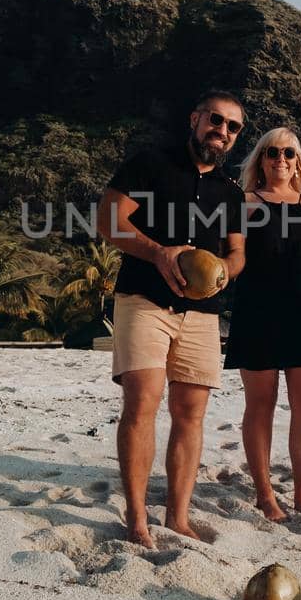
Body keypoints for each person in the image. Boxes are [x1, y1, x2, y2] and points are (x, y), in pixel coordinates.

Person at [97, 91, 247, 548]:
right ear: (195, 119)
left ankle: (178, 517)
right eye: (215, 120)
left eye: (232, 126)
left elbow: (237, 253)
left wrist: (222, 275)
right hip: (144, 299)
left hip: (201, 314)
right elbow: (108, 220)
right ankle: (137, 517)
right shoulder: (150, 163)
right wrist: (159, 253)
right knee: (142, 401)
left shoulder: (231, 192)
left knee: (190, 413)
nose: (221, 131)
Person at [223, 128, 301, 521]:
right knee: (260, 406)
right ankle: (264, 494)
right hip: (256, 314)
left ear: (298, 159)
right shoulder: (244, 203)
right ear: (260, 159)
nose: (281, 159)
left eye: (289, 152)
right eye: (271, 152)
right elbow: (229, 255)